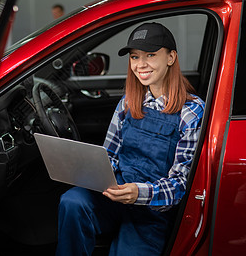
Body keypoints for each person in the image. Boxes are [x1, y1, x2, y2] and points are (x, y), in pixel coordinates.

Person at [55, 22, 205, 256]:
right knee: (73, 202)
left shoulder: (191, 112)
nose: (141, 65)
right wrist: (96, 175)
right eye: (135, 57)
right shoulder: (127, 103)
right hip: (117, 194)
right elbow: (110, 155)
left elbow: (181, 185)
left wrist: (139, 193)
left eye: (151, 55)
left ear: (171, 57)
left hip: (152, 211)